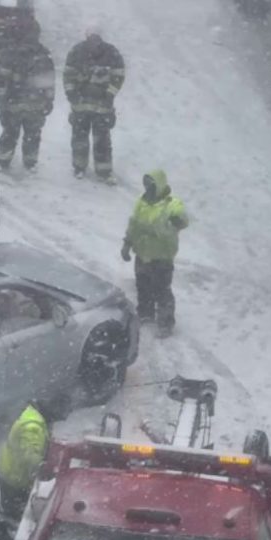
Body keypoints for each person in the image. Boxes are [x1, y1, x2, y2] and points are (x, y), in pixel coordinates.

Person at [0, 395, 71, 540]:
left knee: (7, 509)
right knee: (15, 514)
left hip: (9, 472)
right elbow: (30, 457)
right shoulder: (33, 427)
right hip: (16, 478)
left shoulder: (33, 416)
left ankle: (1, 531)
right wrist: (45, 469)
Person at [121, 169, 189, 338]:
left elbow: (182, 218)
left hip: (162, 257)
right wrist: (127, 244)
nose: (148, 188)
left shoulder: (172, 203)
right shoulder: (141, 203)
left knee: (162, 290)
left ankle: (166, 323)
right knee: (142, 286)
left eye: (151, 185)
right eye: (146, 185)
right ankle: (145, 314)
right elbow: (134, 225)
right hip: (142, 254)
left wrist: (177, 220)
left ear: (159, 185)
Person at [63, 27, 125, 183]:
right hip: (80, 106)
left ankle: (104, 171)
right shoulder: (76, 51)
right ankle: (79, 167)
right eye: (91, 36)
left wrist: (110, 94)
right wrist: (71, 93)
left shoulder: (112, 53)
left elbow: (118, 76)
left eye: (96, 36)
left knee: (102, 140)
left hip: (102, 108)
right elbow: (68, 74)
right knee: (79, 139)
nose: (93, 40)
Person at [0, 19, 55, 172]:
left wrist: (2, 104)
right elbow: (48, 82)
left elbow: (2, 82)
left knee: (12, 133)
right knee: (31, 135)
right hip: (32, 104)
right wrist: (49, 100)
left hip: (16, 103)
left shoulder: (11, 53)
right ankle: (28, 163)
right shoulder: (43, 54)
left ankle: (5, 161)